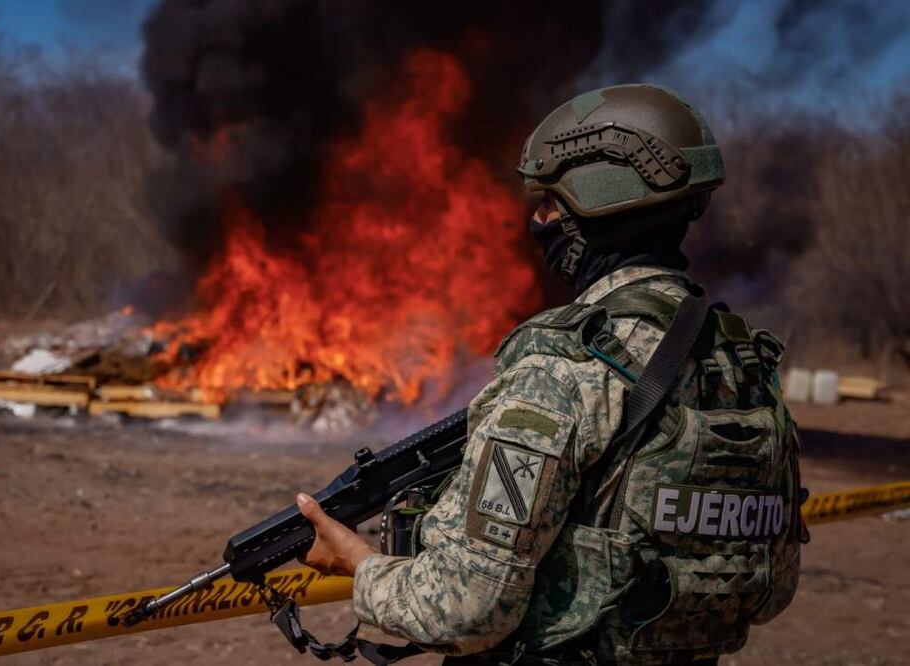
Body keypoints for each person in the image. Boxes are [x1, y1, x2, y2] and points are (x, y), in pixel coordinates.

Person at [296, 84, 805, 666]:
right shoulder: (741, 361)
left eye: (548, 202)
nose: (538, 221)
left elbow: (464, 612)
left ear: (596, 200)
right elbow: (771, 587)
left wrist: (359, 566)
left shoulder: (562, 367)